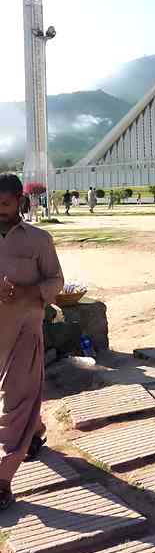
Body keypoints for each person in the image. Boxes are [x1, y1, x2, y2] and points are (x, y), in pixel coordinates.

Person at [0, 174, 64, 510]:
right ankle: (35, 432)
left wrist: (30, 292)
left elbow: (56, 279)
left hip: (25, 330)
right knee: (21, 402)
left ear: (19, 202)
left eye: (5, 204)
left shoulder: (39, 239)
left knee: (16, 401)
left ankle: (3, 479)